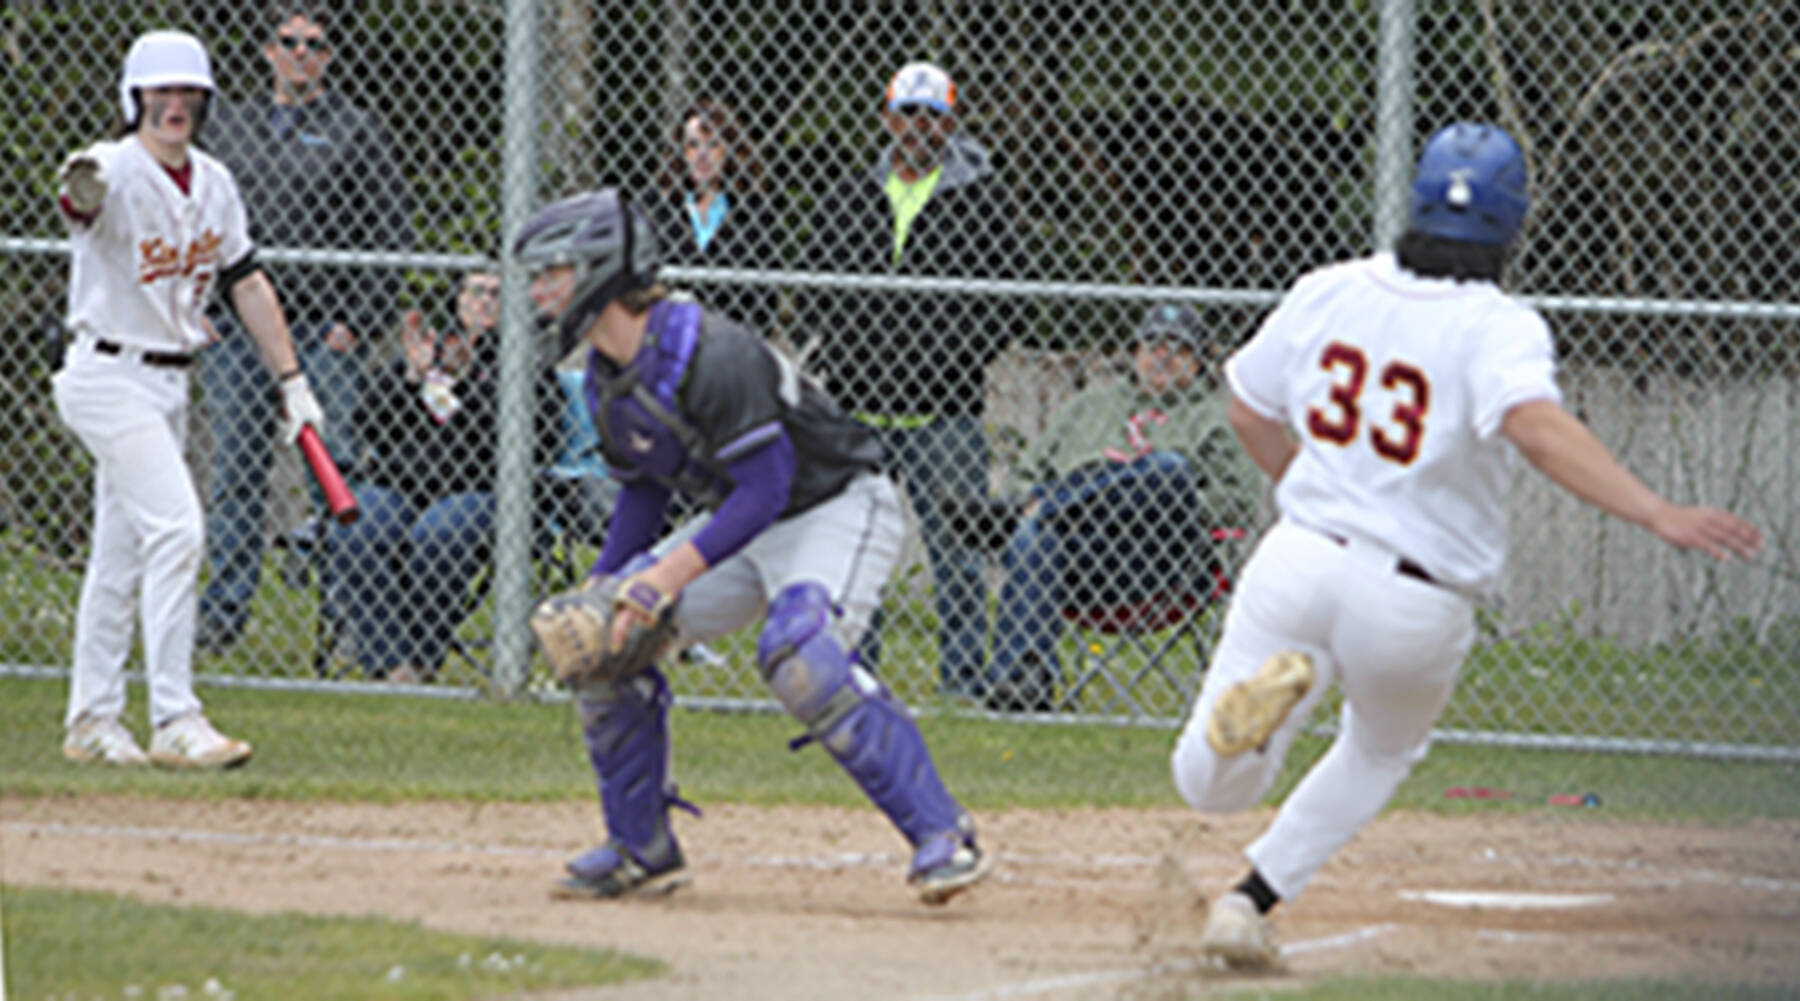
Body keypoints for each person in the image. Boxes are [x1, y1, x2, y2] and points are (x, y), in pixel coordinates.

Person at [1169, 122, 1764, 969]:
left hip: (1300, 553)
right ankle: (1249, 901)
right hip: (1414, 596)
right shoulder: (1498, 323)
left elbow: (1246, 408)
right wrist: (1655, 509)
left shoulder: (1330, 287)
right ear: (1513, 225)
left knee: (1210, 783)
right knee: (1380, 748)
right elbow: (1532, 424)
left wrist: (1322, 490)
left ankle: (1246, 729)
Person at [513, 187, 989, 905]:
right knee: (605, 640)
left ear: (602, 268)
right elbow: (643, 490)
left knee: (800, 651)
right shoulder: (607, 380)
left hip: (836, 502)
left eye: (554, 270)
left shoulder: (708, 349)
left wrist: (665, 574)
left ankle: (941, 832)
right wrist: (609, 580)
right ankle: (640, 846)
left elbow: (768, 486)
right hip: (740, 523)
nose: (540, 289)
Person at [51, 29, 324, 768]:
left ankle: (93, 718)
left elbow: (246, 280)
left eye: (187, 92)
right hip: (106, 374)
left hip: (169, 380)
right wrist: (82, 186)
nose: (175, 104)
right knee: (177, 528)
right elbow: (84, 189)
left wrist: (292, 380)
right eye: (160, 92)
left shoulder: (213, 180)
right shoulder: (116, 165)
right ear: (135, 97)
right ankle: (175, 714)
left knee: (121, 554)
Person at [794, 60, 1025, 695]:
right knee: (856, 546)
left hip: (940, 407)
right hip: (859, 404)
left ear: (950, 123)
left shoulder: (982, 198)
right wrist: (845, 347)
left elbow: (1010, 299)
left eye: (934, 116)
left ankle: (961, 682)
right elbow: (816, 286)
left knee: (957, 549)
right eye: (908, 113)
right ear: (887, 118)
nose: (919, 127)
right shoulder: (850, 192)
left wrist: (949, 356)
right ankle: (854, 673)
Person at [195, 4, 414, 653]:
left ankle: (346, 617)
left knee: (334, 473)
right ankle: (223, 612)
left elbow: (389, 232)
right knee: (235, 471)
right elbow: (196, 220)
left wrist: (359, 320)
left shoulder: (356, 130)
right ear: (266, 51)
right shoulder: (228, 129)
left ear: (329, 56)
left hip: (322, 334)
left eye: (314, 45)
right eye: (288, 43)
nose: (300, 55)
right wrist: (199, 306)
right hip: (238, 334)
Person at [971, 303, 1259, 712]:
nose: (1163, 356)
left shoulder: (1214, 420)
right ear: (1135, 352)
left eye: (1178, 349)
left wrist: (1164, 502)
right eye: (1153, 345)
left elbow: (1236, 503)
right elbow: (1023, 476)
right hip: (1081, 563)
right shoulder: (1087, 408)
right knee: (1034, 536)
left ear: (1197, 364)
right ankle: (1022, 682)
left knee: (1168, 469)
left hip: (1161, 561)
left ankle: (1055, 504)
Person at [325, 268, 568, 681]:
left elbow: (539, 438)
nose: (485, 301)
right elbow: (367, 423)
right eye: (475, 291)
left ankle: (423, 656)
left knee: (438, 535)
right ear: (457, 301)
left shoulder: (526, 358)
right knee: (355, 528)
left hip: (481, 490)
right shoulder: (427, 350)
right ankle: (389, 663)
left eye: (496, 292)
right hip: (400, 484)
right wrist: (412, 379)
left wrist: (467, 385)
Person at [647, 98, 781, 336]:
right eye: (693, 145)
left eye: (713, 145)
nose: (702, 155)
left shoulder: (753, 212)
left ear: (730, 150)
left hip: (732, 338)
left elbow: (766, 298)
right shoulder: (658, 209)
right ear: (680, 151)